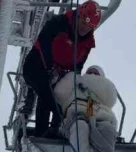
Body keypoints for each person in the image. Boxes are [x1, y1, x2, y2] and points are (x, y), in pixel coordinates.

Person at [21, 1, 102, 137]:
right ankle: (44, 132)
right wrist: (51, 68)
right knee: (47, 94)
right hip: (36, 66)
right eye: (84, 23)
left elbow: (78, 67)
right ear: (79, 16)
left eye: (89, 27)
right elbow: (44, 46)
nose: (85, 29)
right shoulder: (58, 24)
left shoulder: (98, 94)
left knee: (58, 97)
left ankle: (55, 129)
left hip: (57, 75)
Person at [53, 65, 119, 152]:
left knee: (105, 129)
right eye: (90, 72)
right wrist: (72, 78)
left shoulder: (103, 89)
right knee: (80, 126)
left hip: (98, 114)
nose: (92, 75)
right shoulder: (76, 81)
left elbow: (111, 98)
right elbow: (59, 93)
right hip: (78, 113)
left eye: (96, 73)